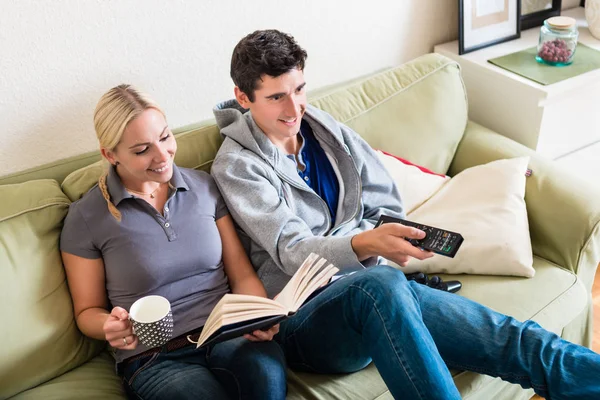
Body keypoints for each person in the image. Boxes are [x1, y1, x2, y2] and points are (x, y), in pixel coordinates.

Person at [211, 29, 600, 399]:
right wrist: (362, 243)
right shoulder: (237, 166)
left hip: (378, 292)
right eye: (277, 97)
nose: (294, 107)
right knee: (379, 283)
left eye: (299, 89)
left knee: (512, 337)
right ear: (244, 98)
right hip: (304, 319)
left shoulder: (325, 129)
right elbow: (291, 250)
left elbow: (385, 204)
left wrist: (375, 243)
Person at [60, 84, 286, 400]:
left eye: (165, 137)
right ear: (110, 155)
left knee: (266, 382)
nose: (162, 155)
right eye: (142, 150)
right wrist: (108, 326)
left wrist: (259, 315)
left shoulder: (204, 187)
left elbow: (242, 275)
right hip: (155, 359)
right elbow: (87, 311)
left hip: (227, 334)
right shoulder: (86, 217)